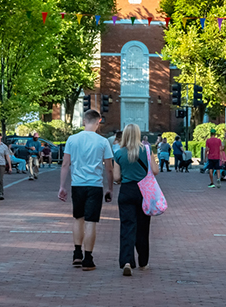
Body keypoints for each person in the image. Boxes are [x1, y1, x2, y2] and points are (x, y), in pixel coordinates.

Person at [58, 109, 114, 271]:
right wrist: (110, 188)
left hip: (77, 184)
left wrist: (62, 186)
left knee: (78, 218)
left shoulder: (72, 139)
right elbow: (109, 168)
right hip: (94, 185)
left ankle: (77, 253)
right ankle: (88, 258)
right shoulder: (102, 142)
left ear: (84, 121)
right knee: (91, 222)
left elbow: (65, 164)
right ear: (99, 121)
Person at [113, 123, 157, 276]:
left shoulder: (119, 153)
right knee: (143, 227)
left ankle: (126, 261)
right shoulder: (146, 150)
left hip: (126, 190)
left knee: (127, 226)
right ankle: (143, 262)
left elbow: (116, 177)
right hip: (143, 191)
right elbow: (155, 170)